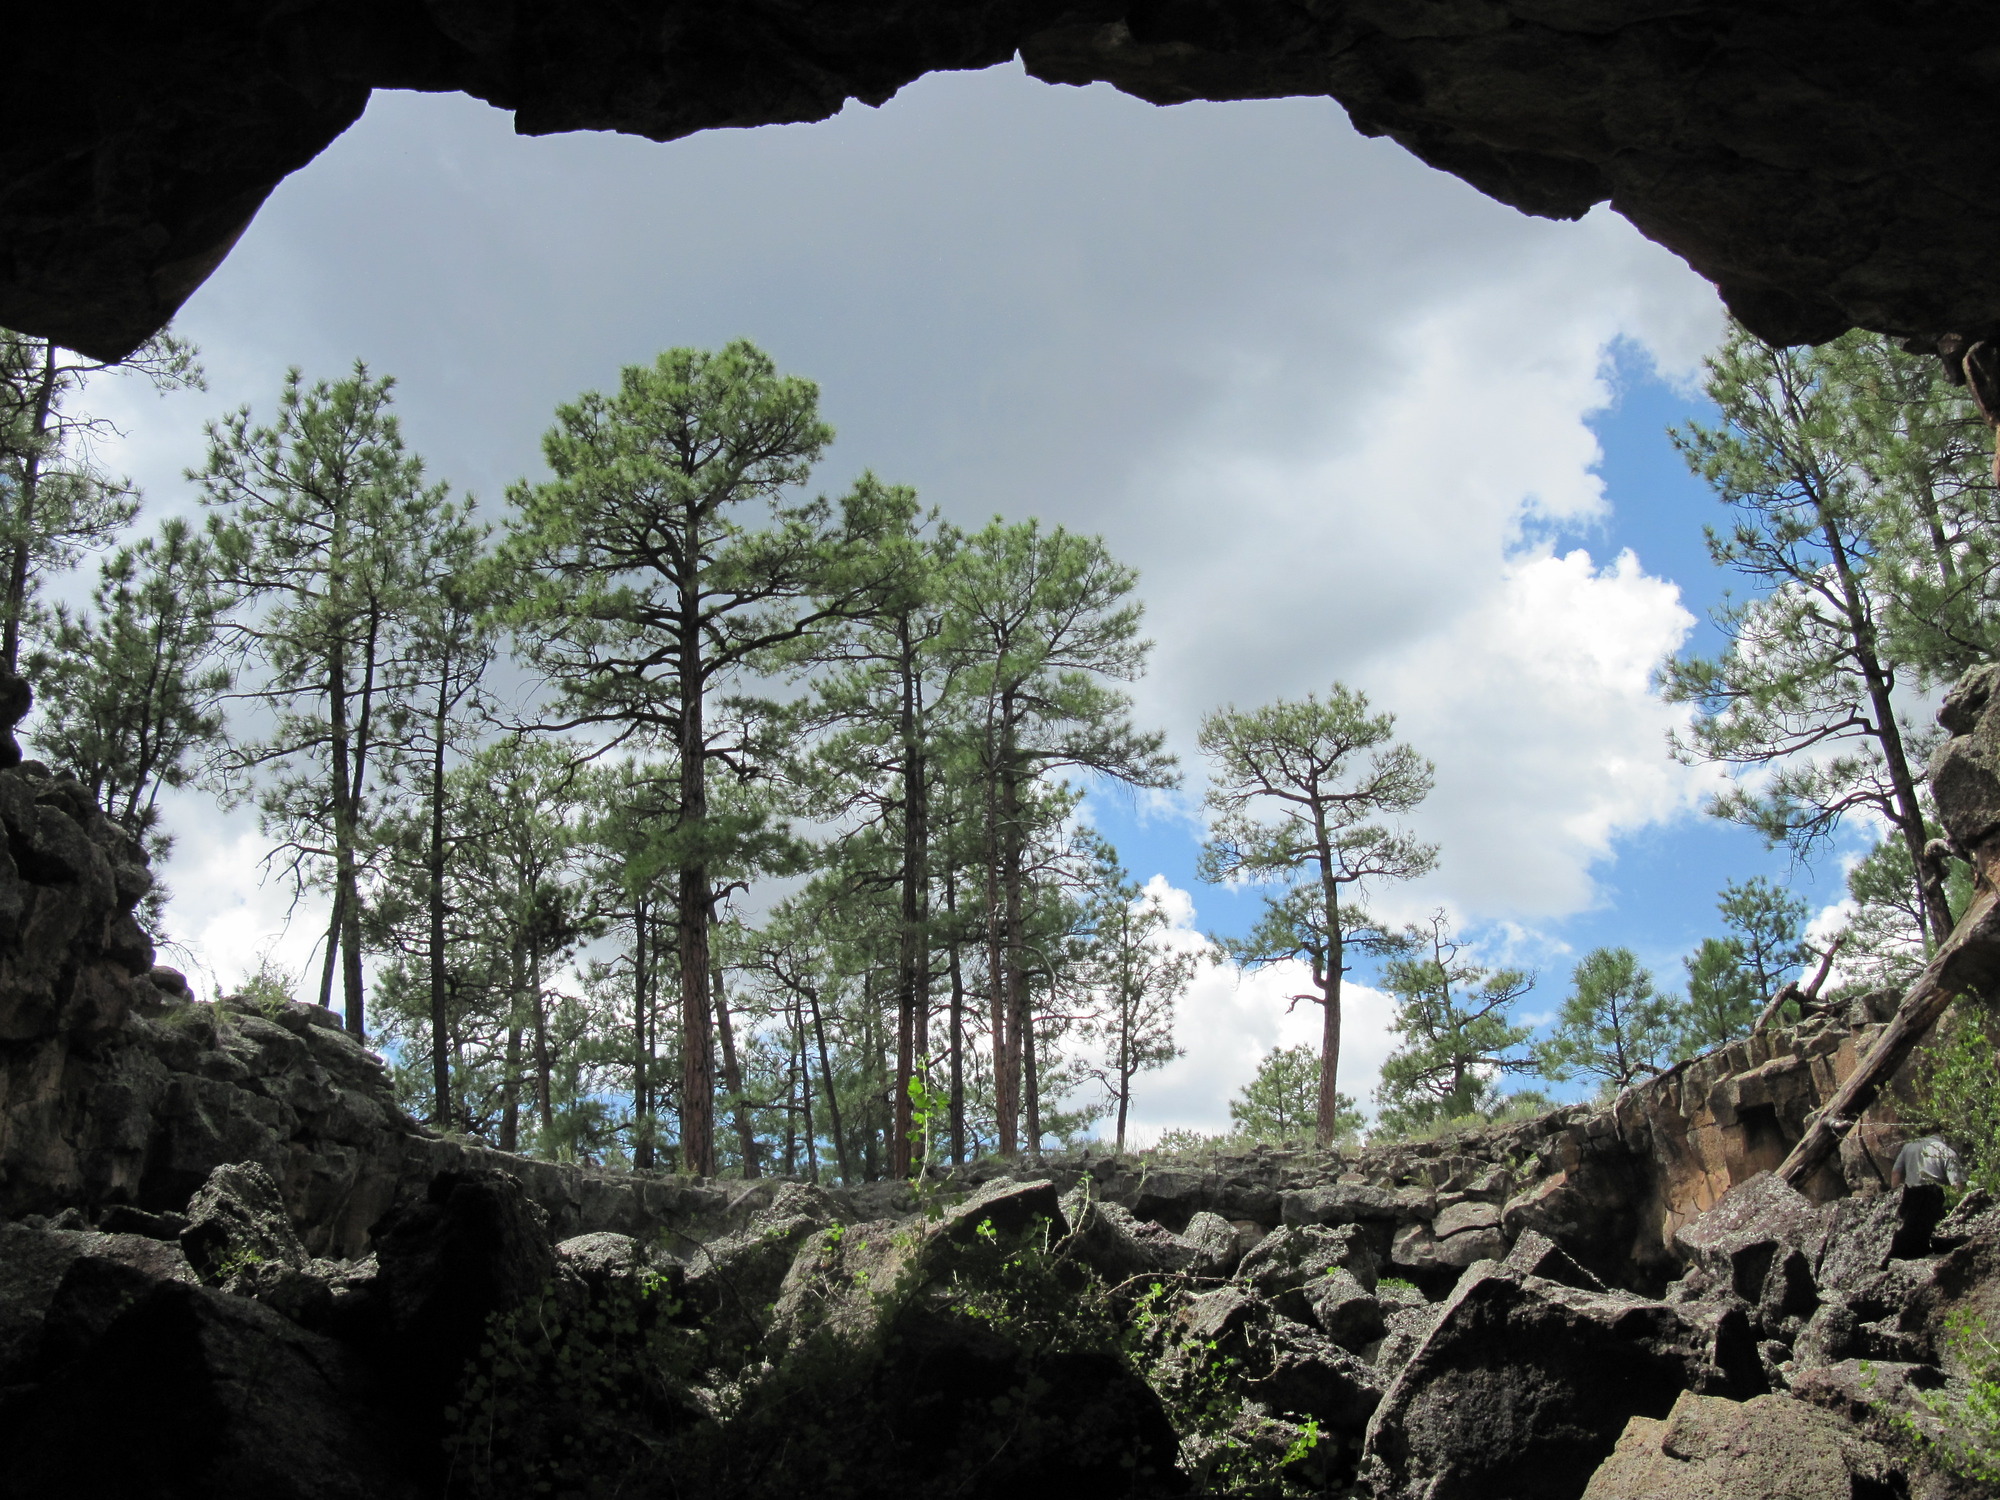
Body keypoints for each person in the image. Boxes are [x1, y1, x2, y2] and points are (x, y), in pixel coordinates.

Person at [1890, 1134, 1967, 1190]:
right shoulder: (1947, 1151)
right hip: (1935, 1197)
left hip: (1911, 1196)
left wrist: (1896, 1196)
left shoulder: (1909, 1146)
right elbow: (1957, 1184)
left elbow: (1895, 1173)